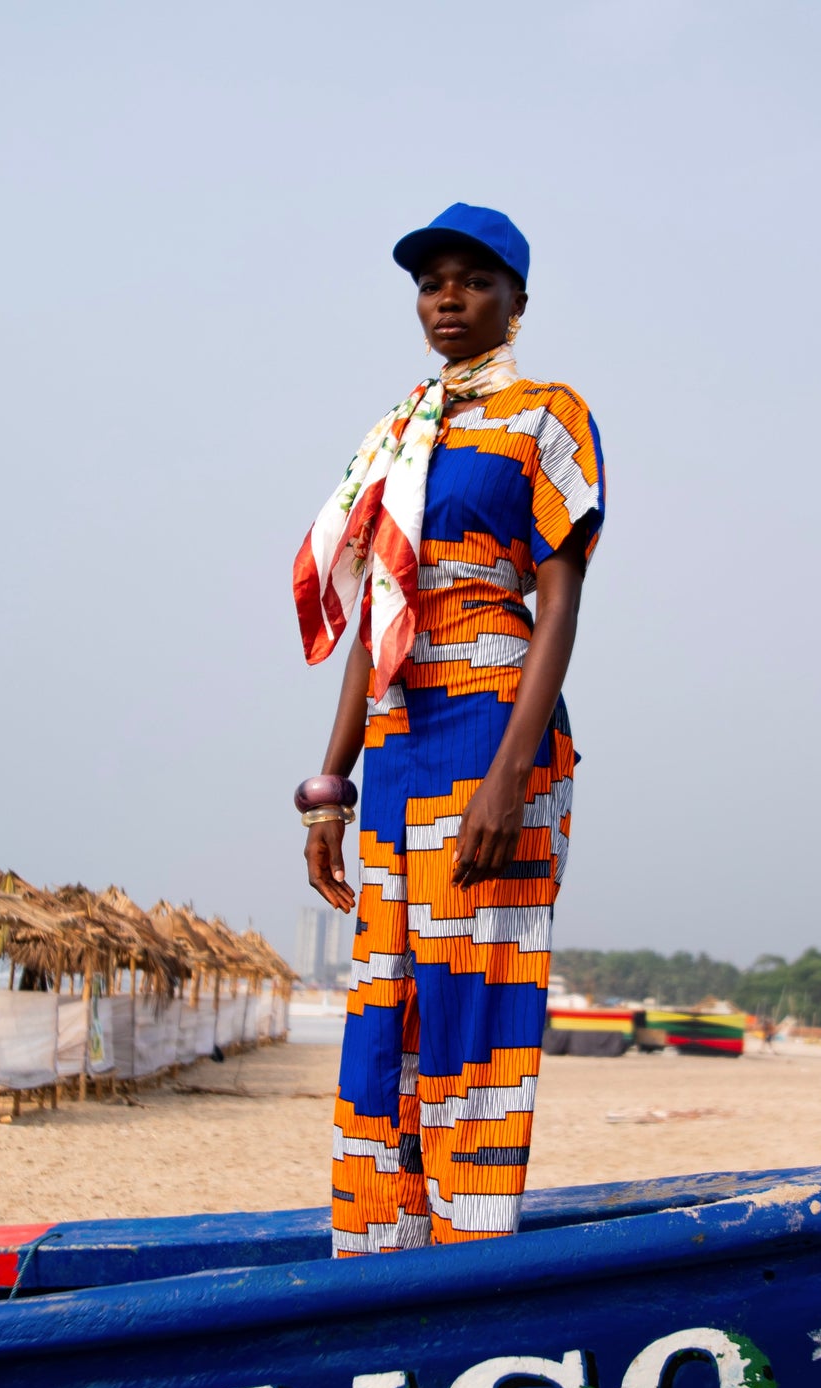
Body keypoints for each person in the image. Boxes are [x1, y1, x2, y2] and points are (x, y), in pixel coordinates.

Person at [293, 204, 604, 1256]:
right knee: (384, 989)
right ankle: (383, 1243)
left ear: (517, 301)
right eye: (430, 283)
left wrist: (508, 779)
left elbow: (557, 604)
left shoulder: (546, 414)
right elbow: (372, 616)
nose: (447, 298)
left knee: (475, 985)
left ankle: (471, 1244)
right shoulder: (396, 433)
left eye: (473, 280)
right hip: (397, 737)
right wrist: (325, 789)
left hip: (494, 723)